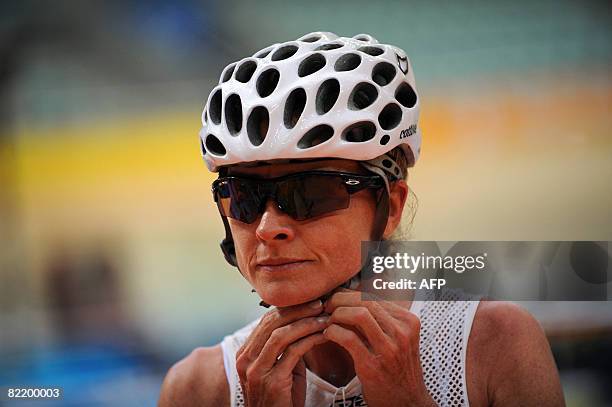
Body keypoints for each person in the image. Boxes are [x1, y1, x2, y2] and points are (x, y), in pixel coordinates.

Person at [158, 32, 565, 407]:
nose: (267, 228)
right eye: (242, 197)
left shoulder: (496, 343)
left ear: (391, 206)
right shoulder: (196, 386)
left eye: (310, 195)